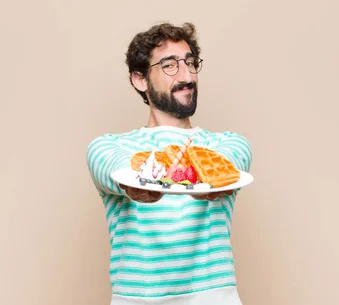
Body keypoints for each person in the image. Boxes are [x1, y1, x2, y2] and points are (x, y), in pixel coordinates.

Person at [86, 22, 252, 305]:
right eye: (169, 65)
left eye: (190, 63)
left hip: (213, 297)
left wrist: (213, 177)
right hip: (138, 299)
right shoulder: (110, 147)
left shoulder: (227, 145)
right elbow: (115, 170)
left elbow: (230, 164)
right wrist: (133, 183)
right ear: (139, 79)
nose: (186, 75)